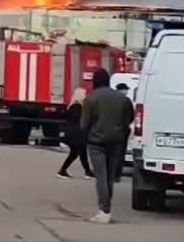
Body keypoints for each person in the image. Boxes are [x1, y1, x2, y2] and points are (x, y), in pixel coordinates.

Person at [81, 68, 135, 224]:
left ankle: (104, 210)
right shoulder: (122, 99)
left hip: (96, 142)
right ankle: (106, 209)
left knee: (101, 176)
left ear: (95, 82)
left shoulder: (91, 99)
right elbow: (129, 118)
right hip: (116, 142)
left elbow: (84, 124)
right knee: (110, 177)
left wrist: (86, 138)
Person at [57, 88, 94, 179]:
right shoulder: (77, 106)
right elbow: (79, 121)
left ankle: (88, 171)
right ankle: (62, 170)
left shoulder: (73, 105)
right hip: (76, 134)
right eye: (84, 94)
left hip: (74, 133)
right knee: (75, 153)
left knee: (82, 152)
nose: (85, 96)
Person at [114, 83, 135, 182]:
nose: (126, 91)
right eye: (125, 90)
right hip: (123, 131)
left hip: (110, 130)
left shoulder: (111, 101)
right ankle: (117, 175)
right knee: (120, 153)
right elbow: (131, 116)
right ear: (120, 90)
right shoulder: (127, 101)